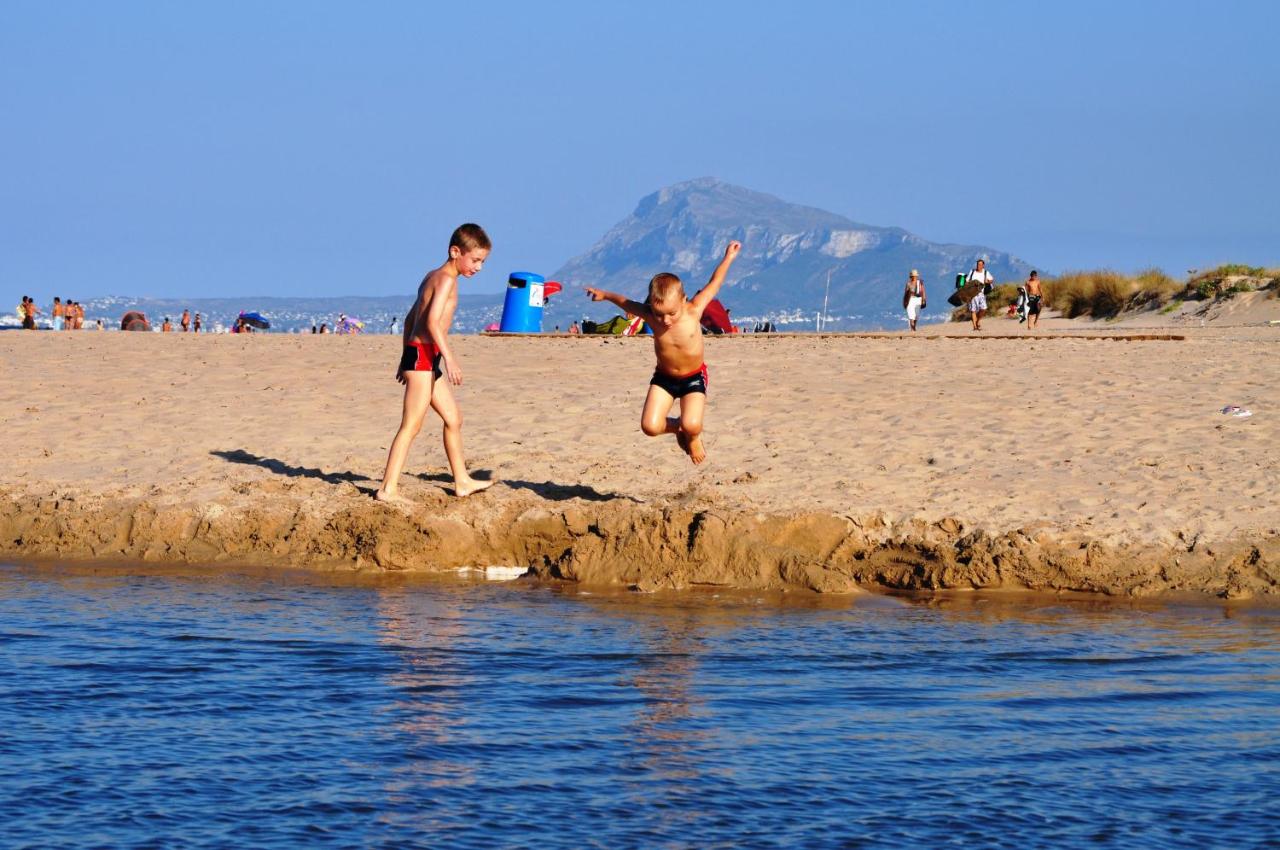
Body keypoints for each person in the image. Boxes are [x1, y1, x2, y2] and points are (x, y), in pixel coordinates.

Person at [586, 240, 742, 465]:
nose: (665, 320)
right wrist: (605, 295)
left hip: (693, 377)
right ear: (651, 307)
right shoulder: (651, 315)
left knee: (693, 425)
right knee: (650, 427)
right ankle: (676, 428)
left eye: (671, 313)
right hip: (664, 378)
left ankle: (692, 435)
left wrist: (728, 257)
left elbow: (715, 282)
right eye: (659, 315)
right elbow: (625, 303)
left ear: (683, 300)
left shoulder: (694, 310)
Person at [376, 223, 496, 503]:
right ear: (456, 251)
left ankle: (462, 481)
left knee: (454, 418)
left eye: (483, 262)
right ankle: (387, 489)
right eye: (475, 260)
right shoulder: (445, 280)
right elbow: (429, 322)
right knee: (411, 425)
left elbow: (409, 319)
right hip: (423, 357)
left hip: (421, 356)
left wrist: (403, 358)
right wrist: (450, 360)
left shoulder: (431, 276)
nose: (479, 268)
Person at [967, 257, 994, 332]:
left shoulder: (986, 272)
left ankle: (978, 321)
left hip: (981, 293)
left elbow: (991, 280)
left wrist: (988, 281)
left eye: (980, 264)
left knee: (984, 308)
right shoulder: (972, 272)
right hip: (972, 293)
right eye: (977, 264)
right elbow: (967, 281)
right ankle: (975, 327)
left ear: (983, 266)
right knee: (973, 310)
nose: (978, 266)